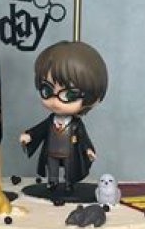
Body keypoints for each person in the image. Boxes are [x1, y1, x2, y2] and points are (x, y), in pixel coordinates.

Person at [19, 41, 108, 191]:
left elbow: (84, 138)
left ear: (91, 96)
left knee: (70, 168)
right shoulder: (50, 121)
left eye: (69, 95)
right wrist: (29, 136)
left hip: (69, 152)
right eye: (47, 91)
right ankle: (52, 182)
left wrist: (88, 150)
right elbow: (39, 130)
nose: (55, 101)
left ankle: (69, 183)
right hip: (52, 151)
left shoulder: (76, 125)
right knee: (52, 167)